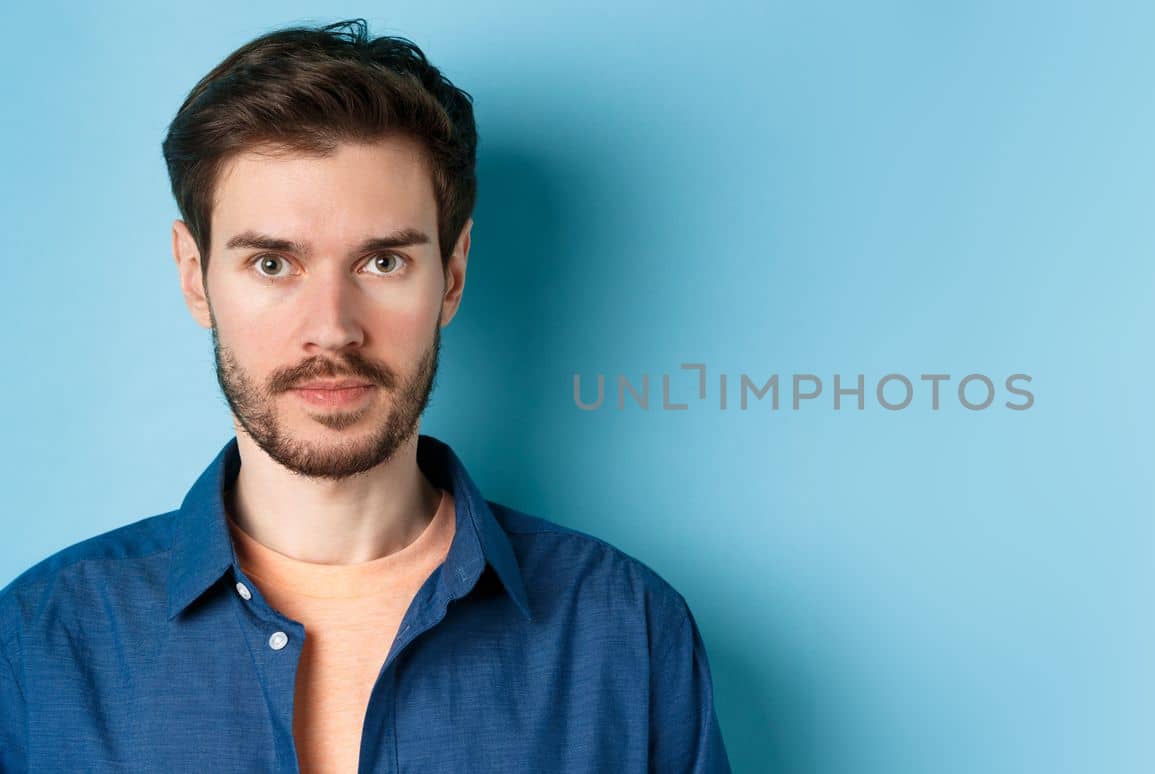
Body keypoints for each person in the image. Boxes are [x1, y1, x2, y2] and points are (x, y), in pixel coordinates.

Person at [0, 18, 731, 773]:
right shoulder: (39, 642)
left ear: (451, 272)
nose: (332, 329)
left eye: (383, 261)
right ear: (195, 274)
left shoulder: (627, 633)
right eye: (273, 265)